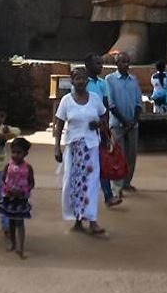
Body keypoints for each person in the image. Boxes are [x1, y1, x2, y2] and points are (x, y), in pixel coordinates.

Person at [54, 65, 108, 235]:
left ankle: (92, 220)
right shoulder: (66, 101)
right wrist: (57, 146)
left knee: (91, 183)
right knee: (72, 183)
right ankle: (77, 219)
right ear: (72, 80)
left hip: (91, 148)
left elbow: (104, 117)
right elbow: (59, 124)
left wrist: (99, 124)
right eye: (77, 78)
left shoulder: (94, 99)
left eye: (83, 78)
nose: (81, 81)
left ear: (87, 81)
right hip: (73, 148)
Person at [105, 52, 142, 195]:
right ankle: (117, 187)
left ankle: (127, 182)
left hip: (133, 125)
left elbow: (139, 102)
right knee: (118, 155)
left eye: (127, 62)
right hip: (117, 124)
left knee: (131, 154)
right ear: (117, 64)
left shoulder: (134, 80)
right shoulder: (110, 79)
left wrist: (134, 121)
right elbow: (111, 103)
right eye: (123, 62)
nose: (126, 65)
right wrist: (124, 121)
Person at [85, 53, 119, 208]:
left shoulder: (102, 83)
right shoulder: (82, 82)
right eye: (97, 64)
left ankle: (108, 195)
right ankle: (85, 196)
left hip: (100, 127)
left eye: (101, 63)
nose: (101, 66)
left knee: (103, 161)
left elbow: (105, 106)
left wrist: (105, 124)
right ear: (88, 65)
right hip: (85, 129)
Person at [0, 136, 34, 258]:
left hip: (21, 198)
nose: (15, 155)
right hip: (9, 198)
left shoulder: (28, 167)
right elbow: (3, 179)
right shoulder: (8, 166)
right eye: (13, 152)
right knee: (11, 222)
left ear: (25, 154)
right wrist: (7, 190)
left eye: (19, 153)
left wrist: (25, 191)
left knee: (20, 222)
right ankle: (13, 243)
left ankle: (21, 246)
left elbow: (31, 182)